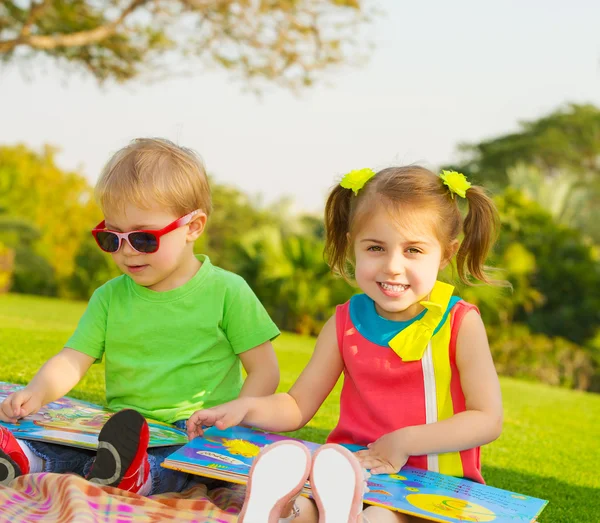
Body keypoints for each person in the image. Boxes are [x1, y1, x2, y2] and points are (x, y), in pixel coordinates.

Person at [187, 166, 504, 522]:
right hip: (345, 473)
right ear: (354, 247)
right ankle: (282, 511)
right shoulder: (344, 322)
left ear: (446, 254)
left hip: (431, 486)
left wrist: (405, 442)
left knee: (381, 519)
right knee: (305, 509)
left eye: (413, 250)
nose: (392, 267)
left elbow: (487, 419)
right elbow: (296, 405)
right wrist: (245, 408)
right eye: (375, 248)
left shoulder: (460, 323)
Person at [0, 138, 281, 497]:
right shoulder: (109, 297)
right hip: (120, 427)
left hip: (193, 428)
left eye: (144, 239)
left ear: (193, 227)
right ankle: (27, 460)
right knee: (74, 444)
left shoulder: (228, 292)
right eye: (111, 238)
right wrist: (37, 393)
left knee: (180, 464)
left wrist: (232, 417)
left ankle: (138, 477)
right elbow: (73, 359)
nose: (127, 252)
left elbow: (265, 370)